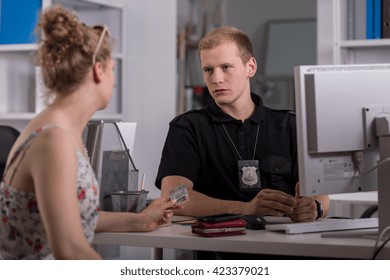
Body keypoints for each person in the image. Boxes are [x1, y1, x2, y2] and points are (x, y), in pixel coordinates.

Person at [0, 5, 177, 260]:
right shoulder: (54, 141)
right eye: (113, 70)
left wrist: (140, 220)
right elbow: (70, 250)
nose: (114, 81)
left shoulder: (59, 132)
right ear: (99, 70)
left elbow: (73, 217)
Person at [155, 26, 329, 258]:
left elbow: (322, 197)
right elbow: (174, 197)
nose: (216, 78)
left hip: (289, 254)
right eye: (208, 70)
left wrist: (314, 208)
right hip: (222, 256)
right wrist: (244, 209)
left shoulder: (290, 125)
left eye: (226, 67)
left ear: (250, 67)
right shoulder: (187, 128)